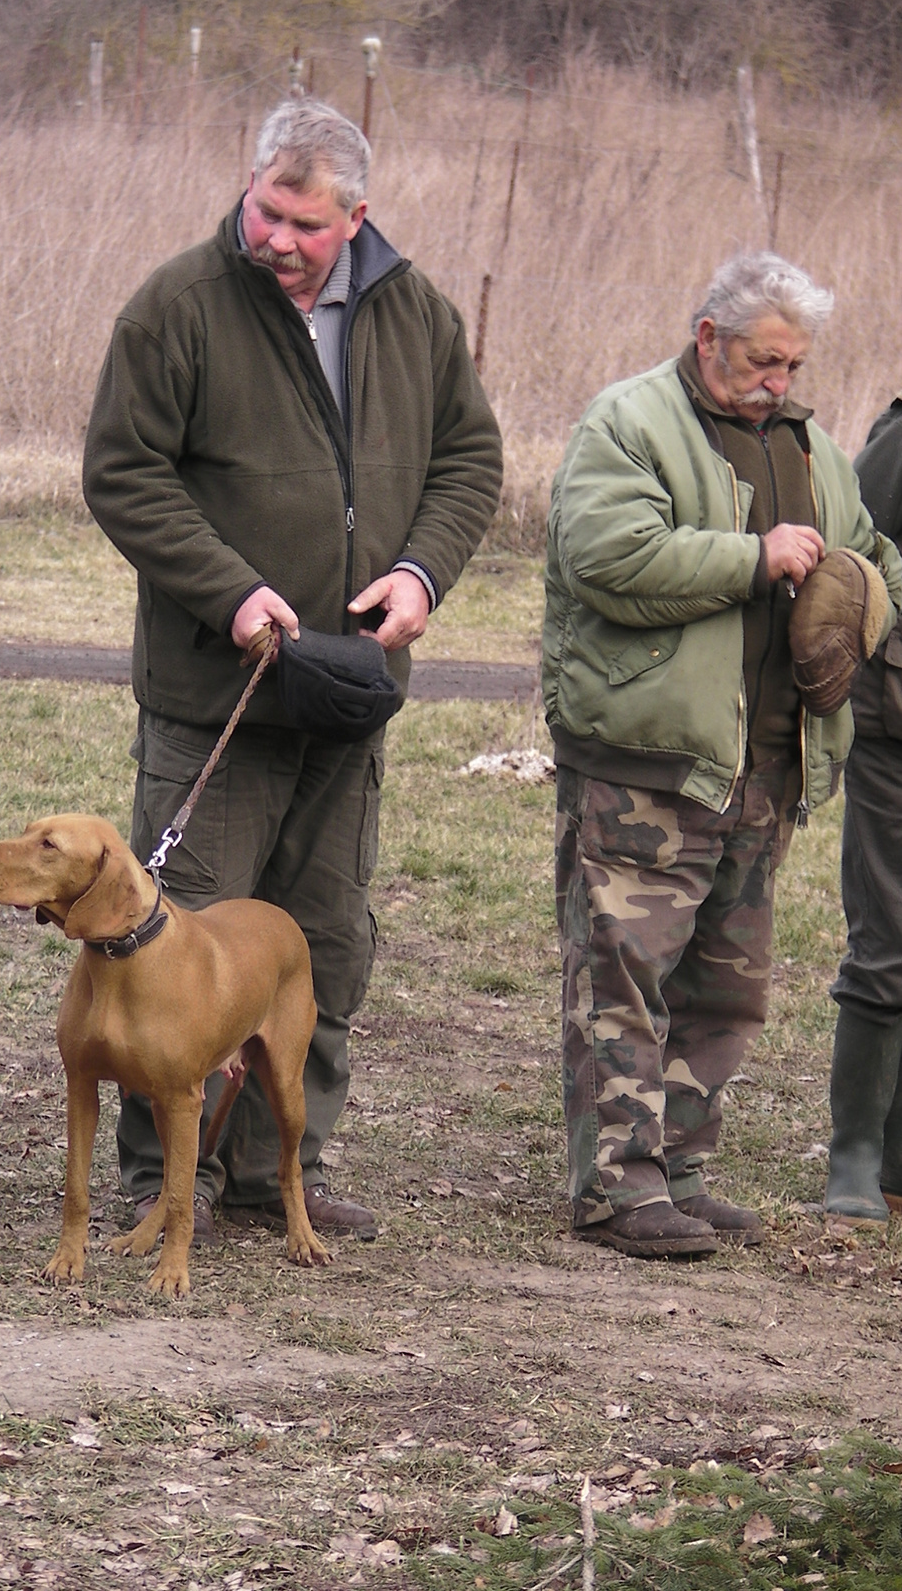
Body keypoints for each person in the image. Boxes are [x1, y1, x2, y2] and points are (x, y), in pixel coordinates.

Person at [82, 98, 502, 1243]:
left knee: (321, 942)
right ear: (249, 183)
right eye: (267, 209)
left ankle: (281, 1172)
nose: (277, 238)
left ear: (356, 217)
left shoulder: (416, 311)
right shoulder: (178, 307)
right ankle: (163, 1182)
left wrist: (421, 572)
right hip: (219, 694)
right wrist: (229, 592)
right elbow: (124, 473)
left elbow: (470, 459)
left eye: (306, 224)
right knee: (182, 946)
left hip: (350, 693)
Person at [542, 251, 902, 1259]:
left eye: (793, 364)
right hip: (645, 759)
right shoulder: (629, 422)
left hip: (766, 764)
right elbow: (608, 558)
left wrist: (860, 587)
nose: (781, 381)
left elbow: (876, 556)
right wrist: (757, 555)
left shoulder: (815, 448)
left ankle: (682, 1166)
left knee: (725, 987)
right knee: (623, 974)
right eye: (763, 359)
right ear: (710, 336)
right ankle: (617, 1185)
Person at [825, 398, 902, 1224]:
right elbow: (856, 565)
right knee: (887, 934)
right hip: (894, 725)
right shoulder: (900, 440)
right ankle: (857, 1154)